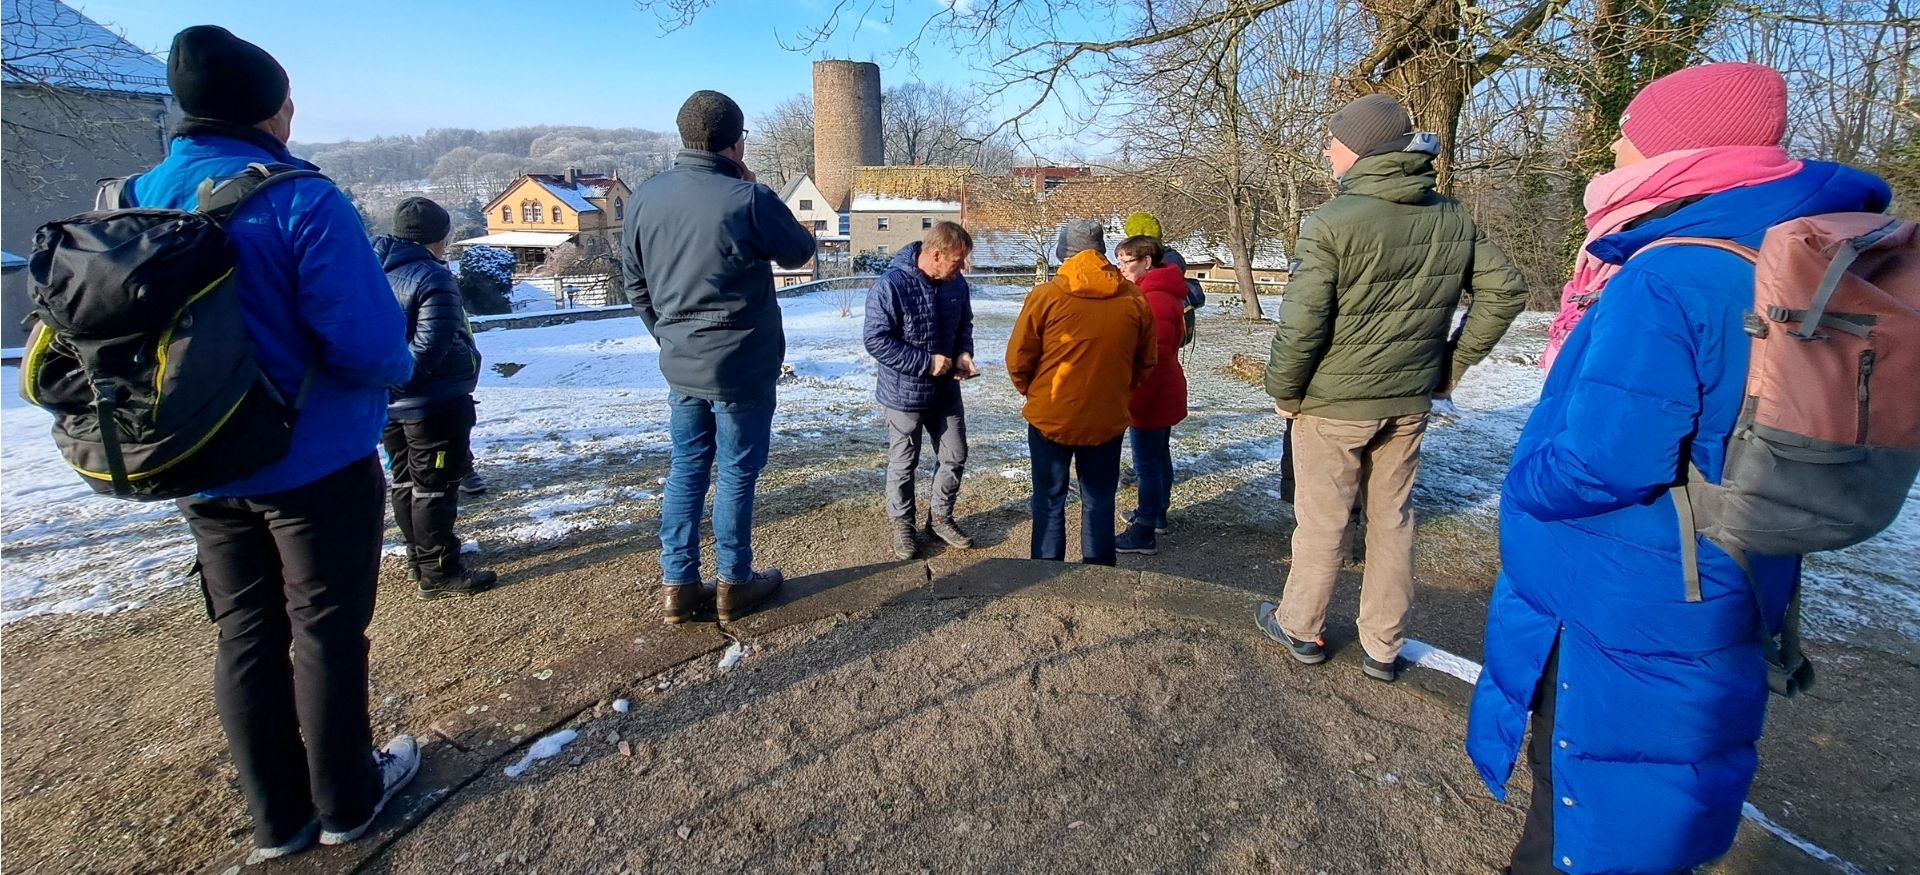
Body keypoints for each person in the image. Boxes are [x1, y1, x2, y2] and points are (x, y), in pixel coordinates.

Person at [1466, 63, 1894, 875]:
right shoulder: (1793, 253)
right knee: (1659, 789)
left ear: (1675, 152)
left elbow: (1604, 457)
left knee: (1586, 800)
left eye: (1625, 138)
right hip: (1733, 558)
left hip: (1628, 583)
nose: (1611, 158)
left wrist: (1524, 482)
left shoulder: (1669, 273)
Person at [134, 25, 420, 863]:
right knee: (325, 629)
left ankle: (276, 820)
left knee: (246, 632)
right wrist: (402, 365)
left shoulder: (135, 197)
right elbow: (369, 346)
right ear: (272, 109)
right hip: (314, 461)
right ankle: (346, 799)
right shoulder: (298, 198)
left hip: (197, 461)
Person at [1259, 93, 1528, 682]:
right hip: (1407, 400)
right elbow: (1506, 290)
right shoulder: (1452, 215)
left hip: (1333, 405)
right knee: (1393, 521)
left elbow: (1301, 325)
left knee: (1324, 523)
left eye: (1334, 141)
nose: (1327, 151)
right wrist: (1449, 365)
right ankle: (1384, 644)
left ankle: (1301, 626)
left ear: (1359, 149)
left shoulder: (1331, 223)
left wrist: (1284, 390)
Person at [621, 89, 817, 624]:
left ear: (684, 136)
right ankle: (734, 582)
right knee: (735, 471)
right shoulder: (746, 199)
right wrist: (758, 190)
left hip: (682, 360)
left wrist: (668, 336)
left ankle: (678, 587)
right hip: (742, 364)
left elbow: (635, 284)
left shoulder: (643, 198)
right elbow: (801, 251)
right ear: (737, 142)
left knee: (686, 468)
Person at [1007, 219, 1156, 566]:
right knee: (1100, 501)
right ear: (1103, 252)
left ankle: (1044, 573)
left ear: (1063, 254)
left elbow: (1018, 358)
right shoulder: (1134, 299)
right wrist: (1116, 392)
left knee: (1048, 500)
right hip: (1106, 417)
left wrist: (1036, 394)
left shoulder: (1045, 296)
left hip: (1052, 416)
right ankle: (1099, 575)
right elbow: (1146, 361)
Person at [373, 197, 497, 599]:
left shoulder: (372, 270)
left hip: (389, 402)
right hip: (431, 402)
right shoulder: (431, 277)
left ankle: (420, 558)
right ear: (440, 236)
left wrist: (387, 383)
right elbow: (431, 345)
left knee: (406, 482)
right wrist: (408, 381)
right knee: (435, 486)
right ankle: (440, 568)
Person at [863, 221, 979, 560]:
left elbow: (964, 325)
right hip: (904, 395)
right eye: (958, 261)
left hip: (946, 393)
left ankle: (940, 517)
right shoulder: (891, 286)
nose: (963, 268)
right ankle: (903, 525)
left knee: (955, 455)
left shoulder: (956, 283)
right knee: (904, 462)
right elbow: (876, 340)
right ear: (936, 254)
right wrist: (925, 363)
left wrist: (963, 354)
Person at [1112, 235, 1188, 556]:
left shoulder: (1153, 299)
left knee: (1148, 464)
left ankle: (1144, 530)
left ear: (1146, 261)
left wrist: (1132, 403)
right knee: (1158, 457)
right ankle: (1156, 514)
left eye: (1127, 261)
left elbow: (1151, 359)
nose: (1122, 268)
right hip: (1162, 389)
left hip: (1151, 392)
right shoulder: (1158, 292)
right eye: (1119, 261)